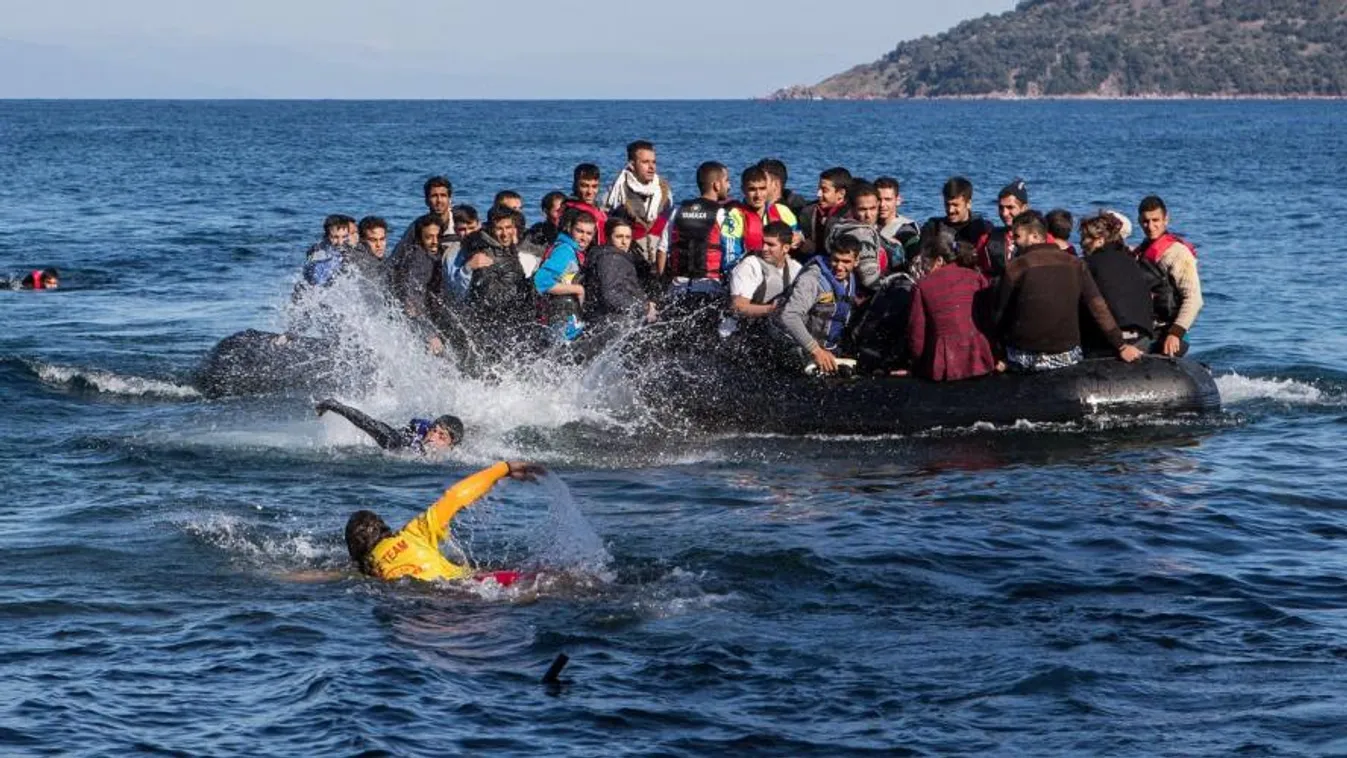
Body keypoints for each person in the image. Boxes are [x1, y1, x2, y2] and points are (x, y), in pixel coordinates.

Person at [343, 460, 545, 583]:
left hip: (432, 604)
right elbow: (455, 496)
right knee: (545, 580)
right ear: (384, 527)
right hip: (471, 586)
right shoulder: (415, 532)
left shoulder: (368, 568)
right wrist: (504, 468)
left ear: (354, 550)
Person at [994, 212, 1143, 372]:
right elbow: (1098, 307)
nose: (1014, 242)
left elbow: (999, 315)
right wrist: (1121, 345)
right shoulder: (1076, 263)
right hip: (1066, 356)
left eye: (1017, 236)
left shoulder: (1016, 267)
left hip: (1025, 357)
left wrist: (998, 352)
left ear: (1035, 236)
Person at [906, 235, 996, 382]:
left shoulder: (922, 286)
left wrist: (916, 363)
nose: (925, 269)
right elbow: (989, 318)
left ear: (939, 260)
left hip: (943, 362)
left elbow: (917, 332)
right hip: (979, 355)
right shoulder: (976, 277)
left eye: (926, 263)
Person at [774, 240, 861, 374]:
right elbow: (789, 316)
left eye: (846, 261)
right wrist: (816, 351)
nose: (839, 266)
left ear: (856, 261)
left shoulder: (849, 280)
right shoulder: (812, 280)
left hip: (822, 348)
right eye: (835, 260)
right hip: (790, 346)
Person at [1134, 195, 1203, 357]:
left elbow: (1194, 299)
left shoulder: (1178, 253)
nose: (1151, 226)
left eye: (1155, 220)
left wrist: (1175, 333)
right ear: (1139, 221)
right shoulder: (1140, 252)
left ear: (1166, 220)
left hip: (1172, 333)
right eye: (1145, 221)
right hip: (1147, 330)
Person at [1078, 212, 1154, 355]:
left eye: (1086, 238)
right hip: (1143, 338)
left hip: (1110, 343)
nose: (1082, 243)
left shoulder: (1089, 265)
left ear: (1100, 240)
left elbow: (1095, 307)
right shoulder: (1131, 261)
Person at [658, 161, 730, 297]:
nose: (729, 186)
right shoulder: (721, 214)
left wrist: (662, 284)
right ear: (716, 185)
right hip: (709, 288)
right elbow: (731, 250)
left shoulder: (678, 210)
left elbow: (662, 249)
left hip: (678, 288)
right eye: (727, 181)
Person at [452, 209, 533, 328]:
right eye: (499, 229)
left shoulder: (504, 248)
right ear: (491, 229)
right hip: (493, 323)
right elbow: (489, 297)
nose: (505, 234)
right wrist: (527, 287)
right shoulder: (484, 255)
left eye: (508, 227)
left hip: (510, 316)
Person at [603, 140, 673, 266]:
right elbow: (605, 229)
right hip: (627, 262)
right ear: (632, 165)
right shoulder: (616, 193)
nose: (651, 167)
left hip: (660, 263)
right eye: (645, 162)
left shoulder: (665, 193)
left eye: (654, 162)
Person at [725, 220, 802, 332]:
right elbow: (737, 307)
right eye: (763, 243)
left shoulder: (795, 268)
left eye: (771, 245)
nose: (764, 248)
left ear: (785, 248)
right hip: (738, 331)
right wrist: (771, 309)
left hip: (768, 330)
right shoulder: (750, 265)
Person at [721, 165, 799, 273]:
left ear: (768, 188)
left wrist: (799, 238)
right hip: (749, 272)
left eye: (762, 188)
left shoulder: (782, 211)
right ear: (743, 189)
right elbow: (730, 260)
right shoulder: (734, 217)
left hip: (780, 271)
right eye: (752, 189)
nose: (758, 195)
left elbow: (797, 236)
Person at [534, 210, 596, 342]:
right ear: (570, 229)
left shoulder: (574, 251)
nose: (584, 237)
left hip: (564, 317)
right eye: (579, 231)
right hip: (559, 320)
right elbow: (541, 281)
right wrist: (578, 289)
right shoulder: (565, 251)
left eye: (589, 233)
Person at [316, 398, 464, 452]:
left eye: (441, 436)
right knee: (370, 425)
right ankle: (333, 404)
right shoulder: (408, 444)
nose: (433, 437)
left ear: (451, 444)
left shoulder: (456, 455)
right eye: (433, 431)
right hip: (404, 438)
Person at [585, 217, 656, 326]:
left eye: (628, 237)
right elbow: (610, 295)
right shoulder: (611, 258)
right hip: (614, 322)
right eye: (619, 237)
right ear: (608, 238)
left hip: (615, 319)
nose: (624, 242)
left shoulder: (614, 256)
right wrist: (643, 308)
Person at [923, 177, 997, 264]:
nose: (950, 210)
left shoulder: (983, 229)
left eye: (955, 205)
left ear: (968, 204)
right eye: (947, 204)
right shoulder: (933, 228)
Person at [391, 215, 446, 321]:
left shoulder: (441, 253)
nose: (435, 241)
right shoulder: (418, 257)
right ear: (420, 239)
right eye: (429, 237)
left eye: (438, 236)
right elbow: (413, 284)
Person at [975, 179, 1030, 277]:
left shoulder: (1040, 238)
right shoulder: (986, 240)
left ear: (1024, 208)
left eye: (1010, 207)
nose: (1004, 213)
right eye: (1001, 208)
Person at [393, 177, 454, 261]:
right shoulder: (417, 226)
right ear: (426, 201)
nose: (439, 200)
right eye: (434, 196)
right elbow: (396, 256)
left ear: (450, 199)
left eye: (443, 195)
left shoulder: (461, 223)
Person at [798, 167, 852, 257]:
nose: (818, 194)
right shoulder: (809, 212)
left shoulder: (850, 217)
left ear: (841, 194)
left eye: (824, 190)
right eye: (818, 189)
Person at [874, 176, 920, 266]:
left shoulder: (906, 229)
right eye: (878, 199)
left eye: (888, 199)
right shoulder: (867, 224)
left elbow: (915, 253)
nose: (882, 204)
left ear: (898, 200)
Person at [302, 214, 353, 287]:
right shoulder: (319, 253)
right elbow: (317, 283)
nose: (340, 242)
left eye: (344, 236)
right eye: (335, 237)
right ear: (326, 236)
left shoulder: (346, 248)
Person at [565, 164, 608, 246]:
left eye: (594, 186)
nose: (590, 192)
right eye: (584, 186)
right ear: (575, 186)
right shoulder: (570, 213)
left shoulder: (598, 208)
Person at [344, 216, 391, 287]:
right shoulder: (357, 260)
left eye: (382, 239)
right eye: (373, 240)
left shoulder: (383, 258)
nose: (379, 245)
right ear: (361, 240)